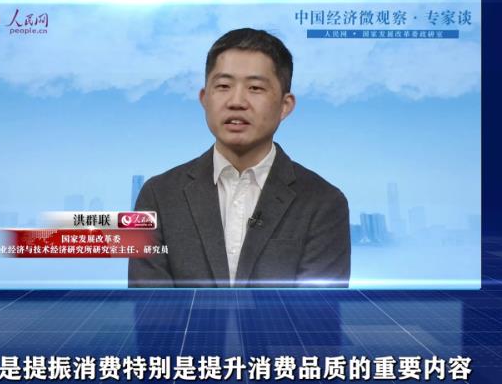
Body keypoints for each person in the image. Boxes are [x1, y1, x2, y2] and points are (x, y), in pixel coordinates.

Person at [128, 28, 350, 288]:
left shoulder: (323, 202)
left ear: (285, 105)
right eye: (223, 86)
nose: (236, 101)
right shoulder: (157, 195)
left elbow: (316, 310)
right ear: (204, 99)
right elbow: (151, 305)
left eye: (255, 88)